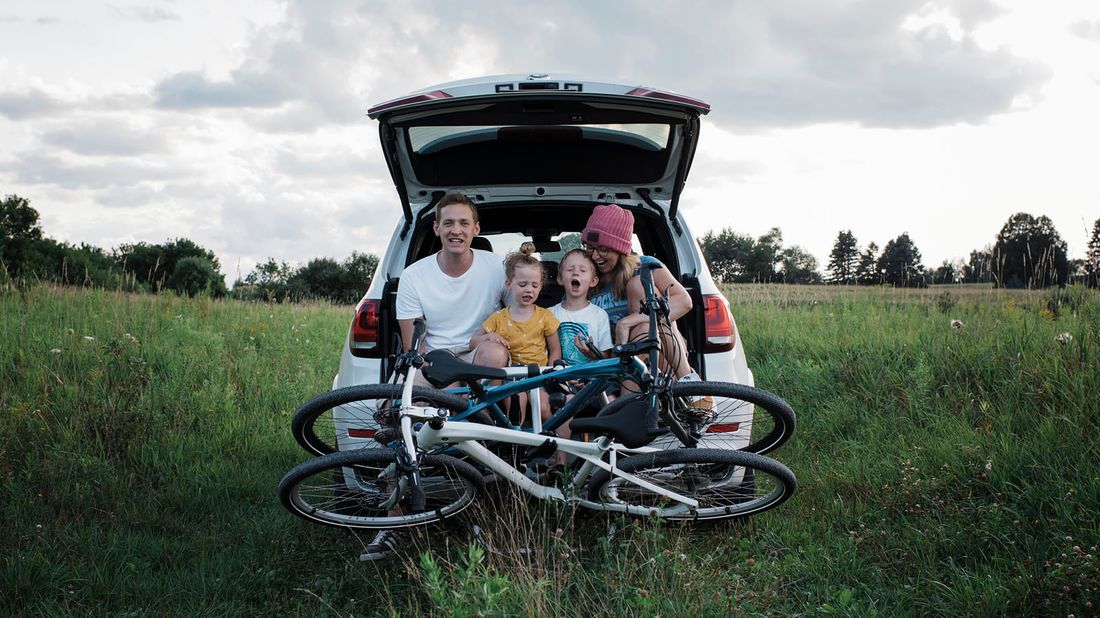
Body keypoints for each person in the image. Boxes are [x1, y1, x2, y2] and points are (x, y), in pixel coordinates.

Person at [368, 193, 508, 561]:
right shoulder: (415, 275)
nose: (456, 230)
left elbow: (526, 306)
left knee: (495, 353)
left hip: (479, 354)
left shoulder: (496, 267)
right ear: (436, 228)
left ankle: (485, 470)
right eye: (449, 223)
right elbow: (414, 344)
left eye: (464, 223)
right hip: (433, 361)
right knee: (394, 413)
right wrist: (430, 376)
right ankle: (391, 521)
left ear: (476, 229)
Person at [581, 203, 702, 384]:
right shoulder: (586, 275)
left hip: (660, 350)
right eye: (589, 248)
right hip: (617, 357)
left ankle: (688, 380)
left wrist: (627, 323)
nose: (595, 256)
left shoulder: (645, 265)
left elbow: (684, 301)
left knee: (640, 295)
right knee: (637, 342)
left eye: (603, 249)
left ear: (620, 249)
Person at [469, 242, 562, 427]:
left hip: (539, 377)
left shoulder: (545, 316)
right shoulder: (498, 318)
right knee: (517, 405)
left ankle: (552, 444)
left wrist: (551, 375)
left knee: (543, 407)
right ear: (508, 283)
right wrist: (489, 337)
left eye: (535, 285)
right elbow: (473, 342)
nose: (529, 289)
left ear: (541, 286)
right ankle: (517, 446)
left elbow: (555, 350)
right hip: (511, 378)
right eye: (522, 284)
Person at [550, 248, 613, 365]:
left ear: (593, 281)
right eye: (570, 269)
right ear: (560, 279)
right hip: (558, 378)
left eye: (583, 270)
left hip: (592, 379)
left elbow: (606, 356)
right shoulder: (549, 314)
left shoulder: (599, 315)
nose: (576, 273)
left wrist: (591, 354)